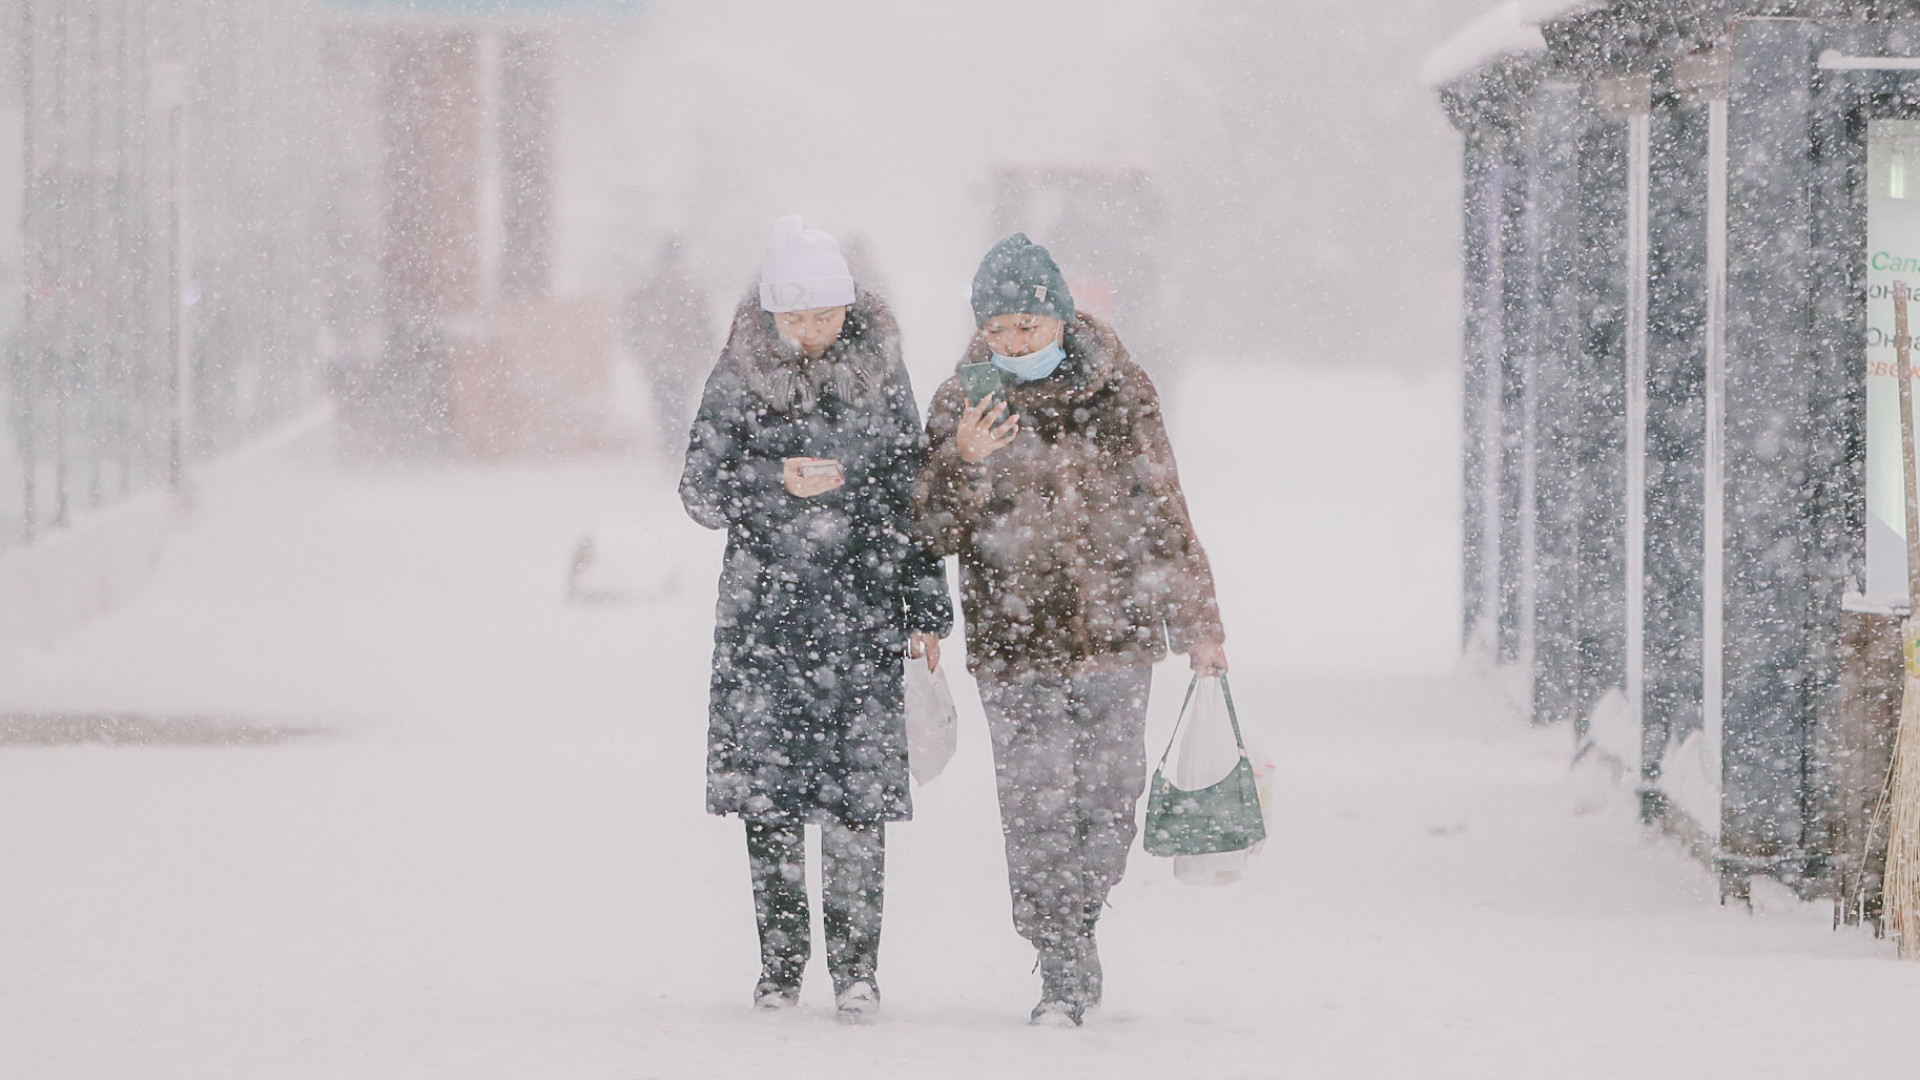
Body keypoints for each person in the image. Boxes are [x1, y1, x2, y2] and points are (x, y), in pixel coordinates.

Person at [915, 233, 1227, 1027]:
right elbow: (928, 530)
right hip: (1013, 643)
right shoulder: (963, 400)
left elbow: (1164, 505)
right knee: (1037, 805)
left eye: (1027, 325)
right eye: (997, 328)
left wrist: (1201, 624)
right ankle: (1061, 957)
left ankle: (1079, 913)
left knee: (1111, 797)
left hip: (1116, 630)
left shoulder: (1119, 389)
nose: (1014, 342)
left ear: (1059, 316)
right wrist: (962, 458)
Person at [680, 215, 951, 1023]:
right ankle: (780, 968)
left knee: (858, 805)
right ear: (770, 311)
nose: (810, 331)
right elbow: (699, 487)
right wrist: (774, 484)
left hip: (861, 611)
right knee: (769, 804)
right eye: (794, 316)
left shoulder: (883, 371)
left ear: (847, 307)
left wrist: (926, 605)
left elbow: (911, 492)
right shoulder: (737, 373)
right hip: (765, 619)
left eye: (824, 315)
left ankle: (858, 972)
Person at [623, 236, 716, 457]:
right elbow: (704, 325)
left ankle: (671, 444)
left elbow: (633, 324)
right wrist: (706, 351)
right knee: (681, 403)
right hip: (682, 360)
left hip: (659, 360)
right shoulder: (691, 288)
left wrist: (642, 349)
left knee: (664, 405)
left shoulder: (648, 286)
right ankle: (678, 443)